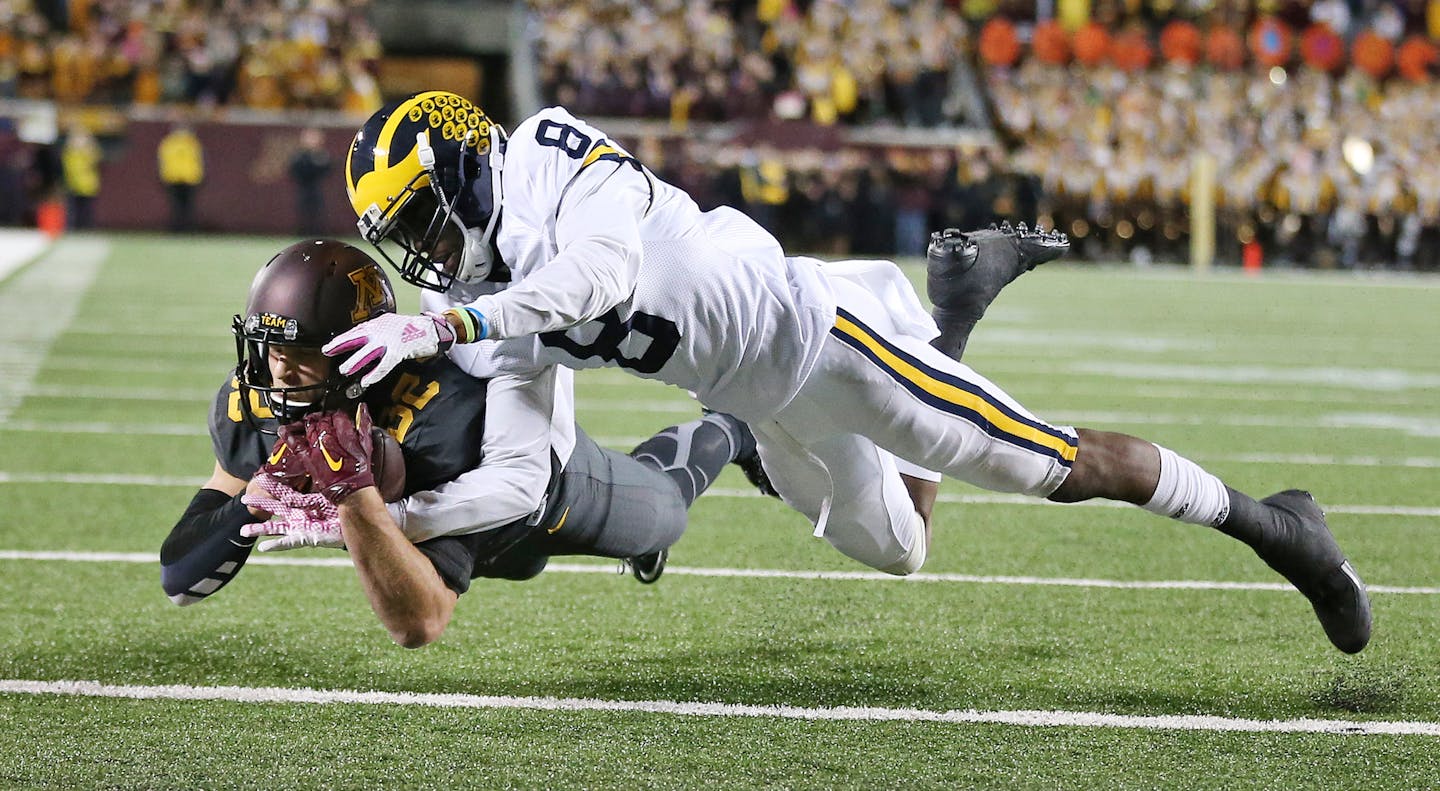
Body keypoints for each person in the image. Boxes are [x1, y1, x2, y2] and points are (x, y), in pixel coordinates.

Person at [328, 91, 1370, 653]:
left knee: (1048, 464)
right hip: (756, 393)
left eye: (420, 217)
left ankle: (1280, 526)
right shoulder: (491, 310)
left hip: (827, 336)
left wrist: (447, 325)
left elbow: (598, 275)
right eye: (401, 236)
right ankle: (956, 305)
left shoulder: (550, 154)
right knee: (900, 549)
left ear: (466, 163)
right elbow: (518, 475)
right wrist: (366, 510)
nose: (422, 252)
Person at [160, 239, 758, 648]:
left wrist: (353, 501)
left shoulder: (442, 411)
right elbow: (181, 578)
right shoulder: (255, 401)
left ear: (354, 349)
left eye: (299, 353)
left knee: (663, 511)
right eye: (267, 348)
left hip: (545, 505)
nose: (276, 372)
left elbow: (421, 621)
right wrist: (251, 506)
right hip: (445, 532)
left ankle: (733, 427)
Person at [157, 120, 204, 232]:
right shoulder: (169, 143)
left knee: (187, 206)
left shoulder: (192, 143)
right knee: (177, 206)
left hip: (188, 178)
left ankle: (187, 228)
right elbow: (163, 161)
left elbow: (199, 161)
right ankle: (177, 228)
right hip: (175, 178)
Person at [289, 127, 331, 236]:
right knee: (304, 210)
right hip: (304, 188)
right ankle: (302, 231)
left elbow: (328, 169)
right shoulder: (300, 156)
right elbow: (295, 170)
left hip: (315, 189)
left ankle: (316, 232)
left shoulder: (321, 155)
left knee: (317, 211)